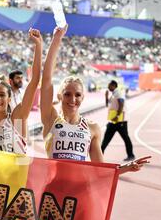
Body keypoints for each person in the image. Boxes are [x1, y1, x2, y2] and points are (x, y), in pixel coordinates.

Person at [40, 25, 150, 174]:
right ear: (60, 96)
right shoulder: (50, 119)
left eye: (77, 95)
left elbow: (99, 169)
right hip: (52, 192)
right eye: (67, 94)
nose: (73, 99)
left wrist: (126, 168)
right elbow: (46, 80)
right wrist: (56, 39)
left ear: (83, 98)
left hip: (78, 192)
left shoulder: (92, 128)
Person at [0, 28, 42, 154]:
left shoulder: (17, 119)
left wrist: (38, 45)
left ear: (9, 98)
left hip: (16, 174)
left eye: (2, 95)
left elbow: (34, 81)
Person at [100, 80, 136, 161]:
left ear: (113, 85)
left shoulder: (118, 93)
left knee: (125, 138)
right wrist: (106, 97)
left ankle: (131, 155)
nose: (108, 87)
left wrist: (118, 115)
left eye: (109, 85)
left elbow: (121, 104)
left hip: (120, 121)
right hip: (113, 121)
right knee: (106, 139)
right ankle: (99, 156)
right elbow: (107, 105)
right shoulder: (113, 94)